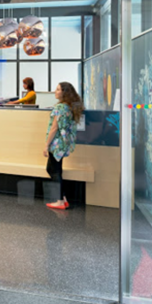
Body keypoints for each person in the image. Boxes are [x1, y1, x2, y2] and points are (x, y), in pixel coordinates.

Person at [43, 82, 84, 210]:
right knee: (54, 169)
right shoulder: (69, 107)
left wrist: (46, 145)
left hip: (56, 143)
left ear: (64, 93)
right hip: (63, 143)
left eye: (58, 89)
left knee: (54, 170)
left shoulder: (60, 107)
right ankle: (63, 198)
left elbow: (54, 127)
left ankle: (60, 201)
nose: (55, 92)